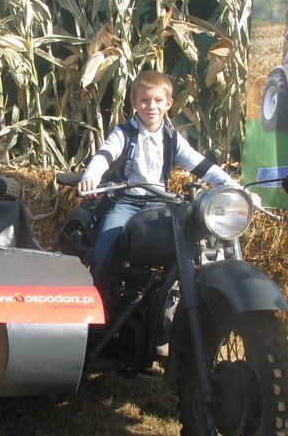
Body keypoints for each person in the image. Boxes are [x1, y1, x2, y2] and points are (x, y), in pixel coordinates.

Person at [78, 70, 241, 292]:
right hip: (125, 202)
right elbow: (105, 154)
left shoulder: (173, 139)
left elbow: (202, 166)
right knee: (105, 247)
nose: (151, 106)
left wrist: (235, 188)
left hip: (159, 203)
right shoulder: (123, 133)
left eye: (158, 100)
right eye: (144, 100)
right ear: (134, 102)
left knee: (189, 238)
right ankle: (97, 302)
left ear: (169, 103)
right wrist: (91, 176)